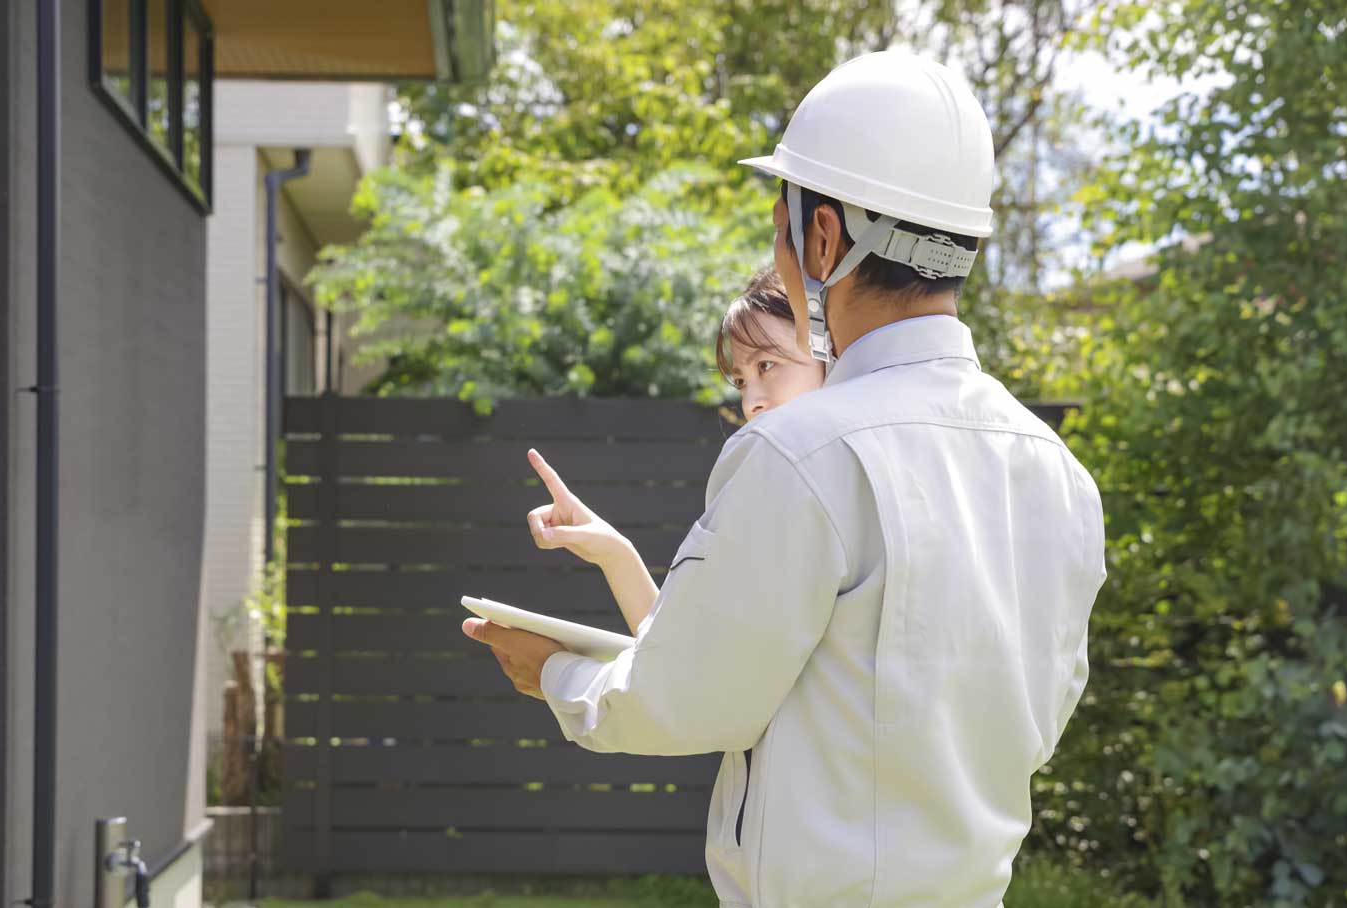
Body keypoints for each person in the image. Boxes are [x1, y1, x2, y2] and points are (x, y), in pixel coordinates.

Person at [464, 50, 1105, 908]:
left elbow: (683, 701)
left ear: (824, 237)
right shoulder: (1059, 475)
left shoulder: (803, 452)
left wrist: (553, 672)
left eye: (782, 226)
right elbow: (1030, 721)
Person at [526, 266, 826, 636]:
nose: (750, 403)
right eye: (740, 381)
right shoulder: (770, 490)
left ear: (829, 351)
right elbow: (683, 658)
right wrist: (612, 551)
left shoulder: (842, 492)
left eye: (767, 365)